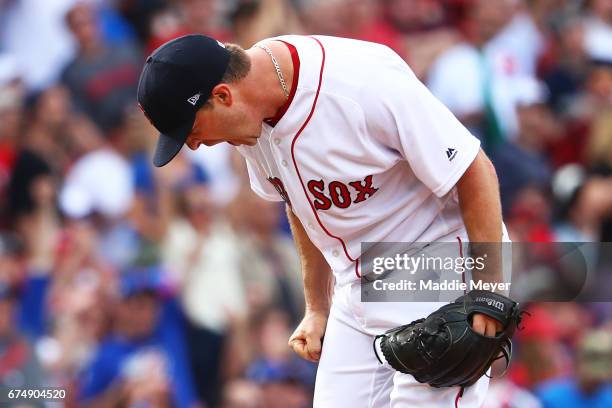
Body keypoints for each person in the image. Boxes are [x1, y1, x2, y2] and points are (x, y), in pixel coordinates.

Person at [136, 33, 510, 407]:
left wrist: (489, 290)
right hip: (356, 284)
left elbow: (472, 169)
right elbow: (297, 200)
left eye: (193, 131)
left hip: (435, 267)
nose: (195, 146)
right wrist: (317, 305)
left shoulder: (359, 85)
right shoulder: (252, 115)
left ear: (222, 96)